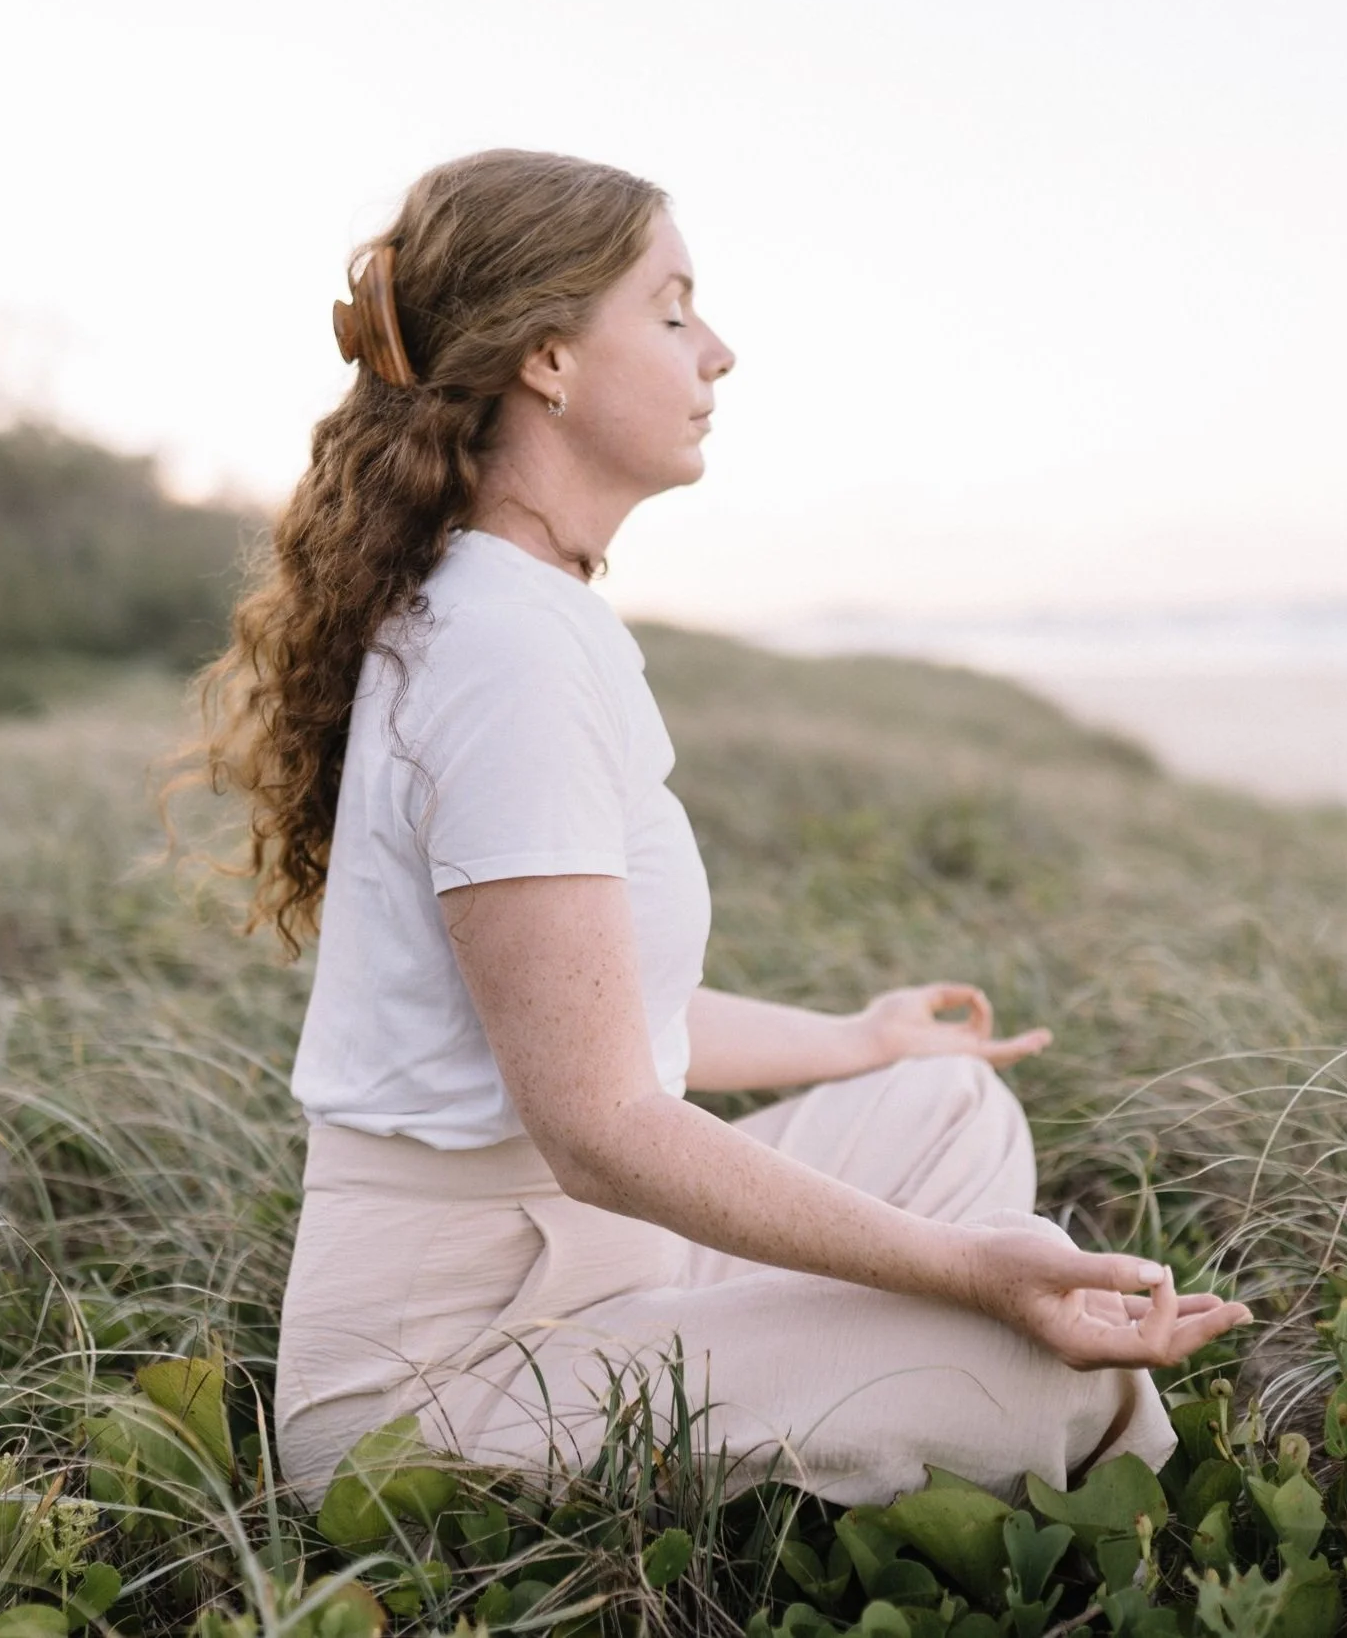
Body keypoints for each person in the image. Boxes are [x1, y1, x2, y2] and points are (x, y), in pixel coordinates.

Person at [181, 148, 1252, 1512]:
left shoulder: (528, 609)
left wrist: (857, 1042)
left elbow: (591, 1008)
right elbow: (604, 1123)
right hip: (444, 1379)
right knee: (1051, 1370)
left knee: (938, 1094)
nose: (720, 351)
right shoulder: (505, 644)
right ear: (551, 361)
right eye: (675, 309)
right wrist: (966, 1272)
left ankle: (850, 1360)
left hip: (604, 1269)